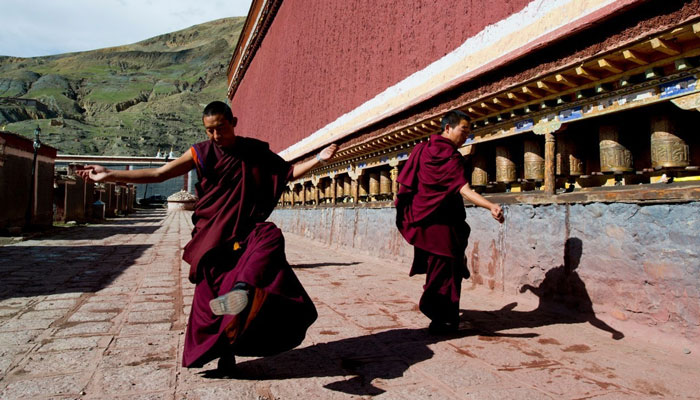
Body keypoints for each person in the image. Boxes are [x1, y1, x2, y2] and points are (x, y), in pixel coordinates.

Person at [77, 101, 337, 373]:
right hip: (212, 236)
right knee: (210, 305)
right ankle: (226, 355)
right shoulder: (200, 153)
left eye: (221, 129)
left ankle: (242, 287)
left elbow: (287, 173)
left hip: (245, 230)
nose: (215, 136)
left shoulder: (255, 152)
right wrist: (108, 175)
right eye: (209, 131)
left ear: (233, 122)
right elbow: (159, 173)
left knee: (269, 235)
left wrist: (319, 159)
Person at [395, 110, 504, 334]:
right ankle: (443, 317)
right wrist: (490, 205)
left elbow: (407, 185)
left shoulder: (421, 150)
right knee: (447, 271)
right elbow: (464, 190)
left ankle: (440, 316)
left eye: (469, 132)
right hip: (442, 226)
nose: (467, 136)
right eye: (463, 130)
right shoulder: (451, 157)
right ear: (447, 128)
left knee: (440, 270)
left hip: (428, 221)